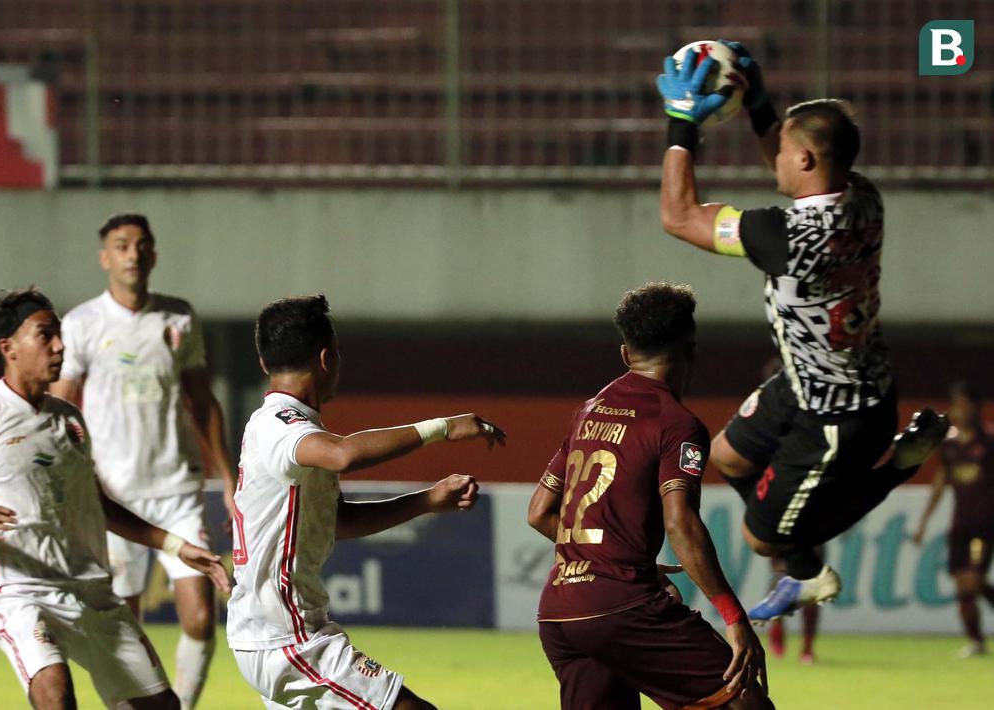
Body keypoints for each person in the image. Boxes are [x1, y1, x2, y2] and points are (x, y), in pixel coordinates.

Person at [655, 43, 949, 621]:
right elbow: (799, 162)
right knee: (728, 457)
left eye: (785, 152)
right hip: (811, 378)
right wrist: (763, 108)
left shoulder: (793, 237)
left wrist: (682, 122)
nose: (776, 161)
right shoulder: (862, 197)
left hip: (841, 414)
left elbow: (678, 215)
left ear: (807, 160)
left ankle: (900, 462)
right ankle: (806, 566)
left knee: (762, 540)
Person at [0, 288, 231, 710]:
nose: (59, 346)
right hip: (23, 592)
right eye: (45, 335)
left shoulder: (69, 420)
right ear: (9, 347)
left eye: (59, 335)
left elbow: (99, 506)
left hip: (91, 591)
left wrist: (178, 547)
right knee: (55, 694)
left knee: (162, 706)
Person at [227, 294, 505, 710]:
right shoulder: (282, 427)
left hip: (279, 634)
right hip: (287, 640)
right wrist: (441, 427)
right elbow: (345, 454)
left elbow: (337, 521)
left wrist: (427, 500)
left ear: (265, 363)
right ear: (327, 359)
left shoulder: (289, 428)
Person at [529, 282, 772, 710]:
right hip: (622, 609)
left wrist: (613, 561)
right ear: (691, 351)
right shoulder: (676, 423)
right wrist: (735, 618)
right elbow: (681, 524)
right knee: (744, 701)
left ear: (625, 354)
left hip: (560, 611)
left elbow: (539, 512)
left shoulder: (588, 411)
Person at [51, 213, 237, 709]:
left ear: (153, 254)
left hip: (177, 491)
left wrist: (226, 473)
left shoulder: (178, 318)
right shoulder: (82, 324)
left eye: (141, 245)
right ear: (105, 257)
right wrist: (67, 474)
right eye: (122, 245)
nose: (133, 254)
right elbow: (62, 405)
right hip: (112, 496)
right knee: (122, 625)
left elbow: (202, 400)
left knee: (199, 618)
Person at [913, 381, 994, 657]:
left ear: (974, 407)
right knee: (964, 584)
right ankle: (976, 641)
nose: (958, 410)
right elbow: (940, 481)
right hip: (960, 524)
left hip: (984, 526)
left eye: (963, 403)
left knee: (972, 580)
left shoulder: (989, 443)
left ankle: (976, 640)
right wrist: (924, 521)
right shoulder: (948, 445)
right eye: (955, 404)